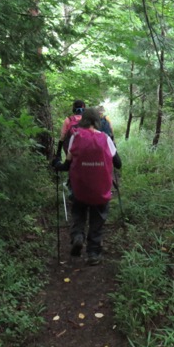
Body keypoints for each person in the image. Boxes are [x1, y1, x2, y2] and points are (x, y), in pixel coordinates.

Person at [53, 107, 122, 265]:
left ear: (83, 121)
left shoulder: (75, 137)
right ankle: (93, 253)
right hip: (101, 190)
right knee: (98, 220)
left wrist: (56, 164)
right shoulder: (106, 138)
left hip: (80, 189)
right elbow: (118, 164)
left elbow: (67, 165)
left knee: (78, 213)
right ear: (97, 122)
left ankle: (77, 236)